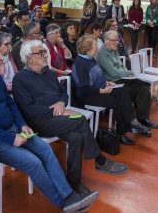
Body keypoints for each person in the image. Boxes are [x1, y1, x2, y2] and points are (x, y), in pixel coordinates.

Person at [0, 40, 99, 212]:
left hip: (14, 130)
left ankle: (68, 195)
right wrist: (11, 138)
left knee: (46, 150)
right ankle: (63, 203)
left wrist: (22, 125)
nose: (2, 58)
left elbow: (11, 105)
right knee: (33, 162)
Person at [13, 40, 128, 193]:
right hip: (39, 122)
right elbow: (29, 109)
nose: (45, 55)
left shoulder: (47, 72)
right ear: (29, 58)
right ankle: (100, 161)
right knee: (80, 119)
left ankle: (74, 181)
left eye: (45, 52)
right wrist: (55, 111)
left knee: (76, 138)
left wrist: (61, 104)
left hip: (59, 118)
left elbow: (62, 93)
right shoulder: (20, 79)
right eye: (40, 53)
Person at [71, 35, 150, 145]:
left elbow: (97, 76)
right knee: (117, 102)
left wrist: (107, 83)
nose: (97, 48)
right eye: (95, 46)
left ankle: (132, 122)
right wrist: (102, 90)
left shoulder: (90, 59)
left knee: (123, 90)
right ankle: (123, 132)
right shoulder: (80, 64)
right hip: (89, 95)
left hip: (101, 88)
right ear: (87, 50)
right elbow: (84, 89)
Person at [96, 30, 158, 131]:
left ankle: (143, 119)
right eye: (114, 40)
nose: (117, 42)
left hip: (122, 79)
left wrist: (128, 74)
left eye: (117, 39)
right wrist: (129, 73)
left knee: (144, 87)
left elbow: (121, 66)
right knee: (135, 90)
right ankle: (135, 124)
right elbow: (113, 72)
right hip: (112, 82)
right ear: (106, 41)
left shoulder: (114, 49)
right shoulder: (102, 53)